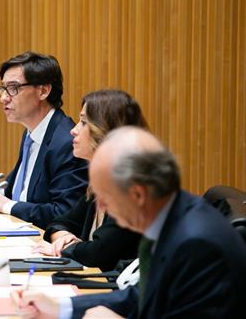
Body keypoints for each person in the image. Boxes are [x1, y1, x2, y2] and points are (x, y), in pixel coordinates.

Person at [13, 127, 246, 318]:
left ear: (137, 195)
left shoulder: (197, 245)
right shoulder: (172, 216)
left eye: (105, 195)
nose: (100, 205)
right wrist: (61, 307)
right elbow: (140, 296)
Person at [0, 51, 88, 229]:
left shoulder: (66, 142)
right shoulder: (32, 133)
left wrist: (6, 205)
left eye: (13, 88)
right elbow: (26, 195)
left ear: (43, 91)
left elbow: (64, 212)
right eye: (3, 88)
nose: (3, 98)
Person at [33, 90, 145, 271]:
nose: (73, 130)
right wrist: (63, 237)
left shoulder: (130, 188)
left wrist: (65, 249)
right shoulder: (101, 182)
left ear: (107, 132)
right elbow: (58, 223)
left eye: (83, 122)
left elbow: (99, 253)